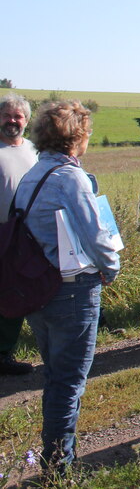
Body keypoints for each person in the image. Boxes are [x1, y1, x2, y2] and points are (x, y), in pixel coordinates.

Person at [14, 100, 121, 474]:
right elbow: (96, 236)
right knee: (69, 383)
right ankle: (58, 468)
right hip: (73, 290)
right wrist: (112, 267)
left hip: (39, 290)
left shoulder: (34, 173)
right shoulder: (70, 177)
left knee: (55, 378)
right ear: (77, 137)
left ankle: (54, 458)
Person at [0, 94, 37, 375]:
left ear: (26, 120)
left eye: (18, 116)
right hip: (2, 233)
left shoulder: (34, 150)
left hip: (28, 236)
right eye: (7, 115)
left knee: (19, 291)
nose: (13, 121)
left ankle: (5, 352)